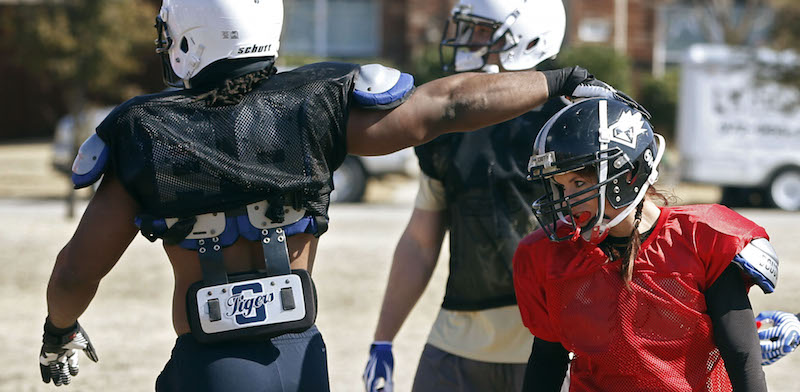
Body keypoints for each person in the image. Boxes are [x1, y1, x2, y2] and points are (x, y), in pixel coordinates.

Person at [37, 0, 619, 391]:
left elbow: (73, 276)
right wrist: (559, 79)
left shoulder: (145, 132)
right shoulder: (314, 103)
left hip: (210, 365)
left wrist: (59, 329)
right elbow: (447, 105)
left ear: (187, 36)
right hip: (303, 360)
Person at [363, 1, 571, 391]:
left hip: (553, 345)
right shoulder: (453, 126)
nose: (464, 43)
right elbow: (420, 242)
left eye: (479, 32)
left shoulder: (569, 122)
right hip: (457, 340)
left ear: (527, 41)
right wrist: (383, 338)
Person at [513, 97, 779, 391]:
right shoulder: (548, 255)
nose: (566, 201)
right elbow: (547, 359)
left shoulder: (703, 239)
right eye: (561, 186)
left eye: (578, 184)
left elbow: (741, 355)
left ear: (629, 174)